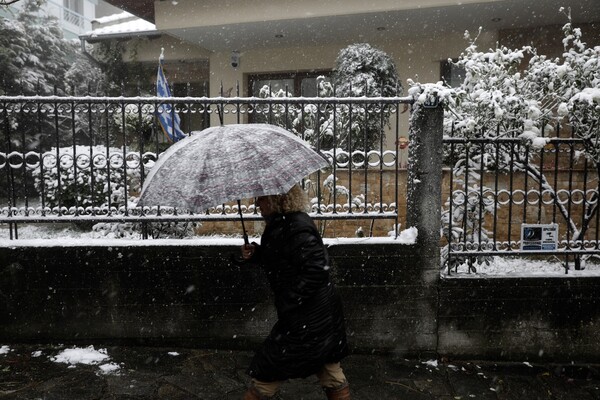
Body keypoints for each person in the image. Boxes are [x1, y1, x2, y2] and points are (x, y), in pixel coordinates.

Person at [239, 184, 351, 400]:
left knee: (268, 369)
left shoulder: (295, 225)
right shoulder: (284, 224)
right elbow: (285, 259)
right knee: (329, 368)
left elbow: (316, 269)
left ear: (276, 199)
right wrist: (257, 254)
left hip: (309, 316)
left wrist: (290, 299)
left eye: (261, 199)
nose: (257, 204)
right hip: (317, 314)